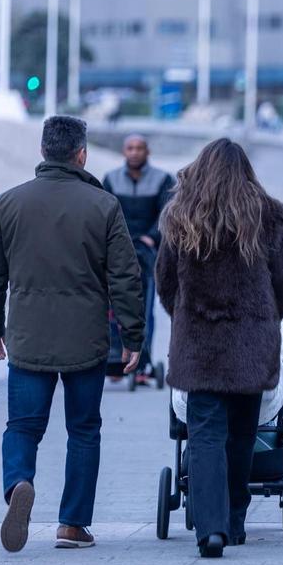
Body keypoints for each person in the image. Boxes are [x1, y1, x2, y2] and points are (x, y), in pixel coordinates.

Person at [0, 116, 145, 553]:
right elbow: (125, 277)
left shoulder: (9, 203)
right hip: (86, 339)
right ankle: (72, 524)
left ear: (43, 151)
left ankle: (19, 483)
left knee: (22, 426)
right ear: (81, 154)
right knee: (84, 430)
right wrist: (132, 335)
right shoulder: (104, 205)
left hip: (28, 337)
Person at [156, 139, 283, 558]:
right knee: (241, 435)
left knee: (204, 435)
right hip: (251, 345)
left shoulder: (181, 218)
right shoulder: (269, 218)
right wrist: (268, 317)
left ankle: (210, 528)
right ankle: (234, 521)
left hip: (199, 345)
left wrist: (186, 315)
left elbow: (165, 281)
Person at [102, 135, 175, 384]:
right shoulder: (111, 179)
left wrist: (152, 238)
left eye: (139, 148)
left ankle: (143, 363)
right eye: (130, 148)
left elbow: (167, 213)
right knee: (112, 306)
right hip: (117, 251)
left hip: (147, 252)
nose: (134, 152)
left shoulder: (162, 180)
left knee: (145, 310)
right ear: (124, 151)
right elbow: (104, 212)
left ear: (147, 151)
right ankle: (115, 358)